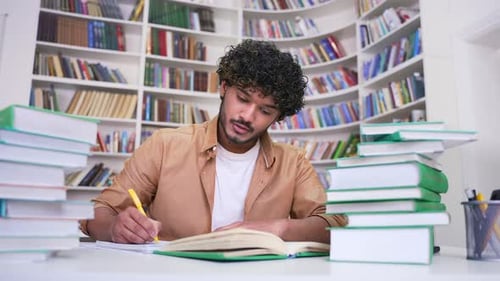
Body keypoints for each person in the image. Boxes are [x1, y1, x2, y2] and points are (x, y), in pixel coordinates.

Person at [81, 39, 346, 244]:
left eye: (265, 110)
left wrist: (279, 227)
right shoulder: (165, 145)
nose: (248, 116)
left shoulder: (294, 163)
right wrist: (115, 228)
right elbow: (99, 212)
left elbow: (333, 223)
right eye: (242, 98)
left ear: (278, 117)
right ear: (224, 87)